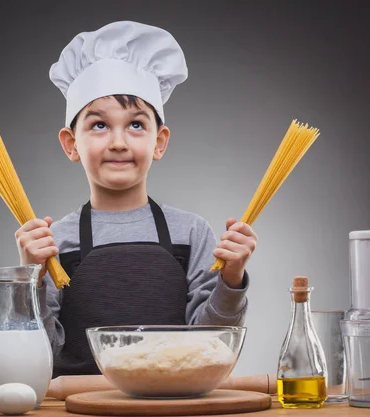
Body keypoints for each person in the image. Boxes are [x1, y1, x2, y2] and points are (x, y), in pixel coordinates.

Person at [15, 21, 257, 377]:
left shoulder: (191, 233)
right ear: (71, 143)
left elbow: (211, 346)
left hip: (171, 407)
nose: (118, 142)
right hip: (80, 408)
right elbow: (40, 356)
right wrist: (29, 280)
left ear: (159, 142)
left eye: (136, 125)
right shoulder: (52, 243)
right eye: (99, 125)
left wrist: (232, 279)